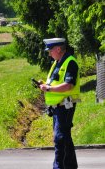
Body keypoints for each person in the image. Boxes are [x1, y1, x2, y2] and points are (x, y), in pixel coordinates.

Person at [39, 38, 80, 169]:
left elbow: (68, 85)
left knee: (60, 139)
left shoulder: (70, 63)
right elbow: (54, 82)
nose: (49, 54)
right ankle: (71, 166)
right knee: (64, 138)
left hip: (65, 106)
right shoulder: (57, 63)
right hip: (57, 108)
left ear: (58, 49)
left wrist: (49, 88)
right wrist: (45, 86)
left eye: (50, 50)